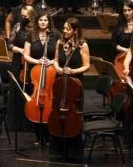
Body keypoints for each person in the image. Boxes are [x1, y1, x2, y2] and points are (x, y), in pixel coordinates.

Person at [49, 18, 91, 161]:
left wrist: (72, 71)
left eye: (67, 29)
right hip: (60, 80)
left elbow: (87, 66)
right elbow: (55, 60)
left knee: (73, 114)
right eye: (64, 28)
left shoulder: (82, 45)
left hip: (75, 83)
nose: (64, 31)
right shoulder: (59, 43)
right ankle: (58, 150)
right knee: (58, 111)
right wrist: (58, 69)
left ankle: (74, 151)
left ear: (75, 30)